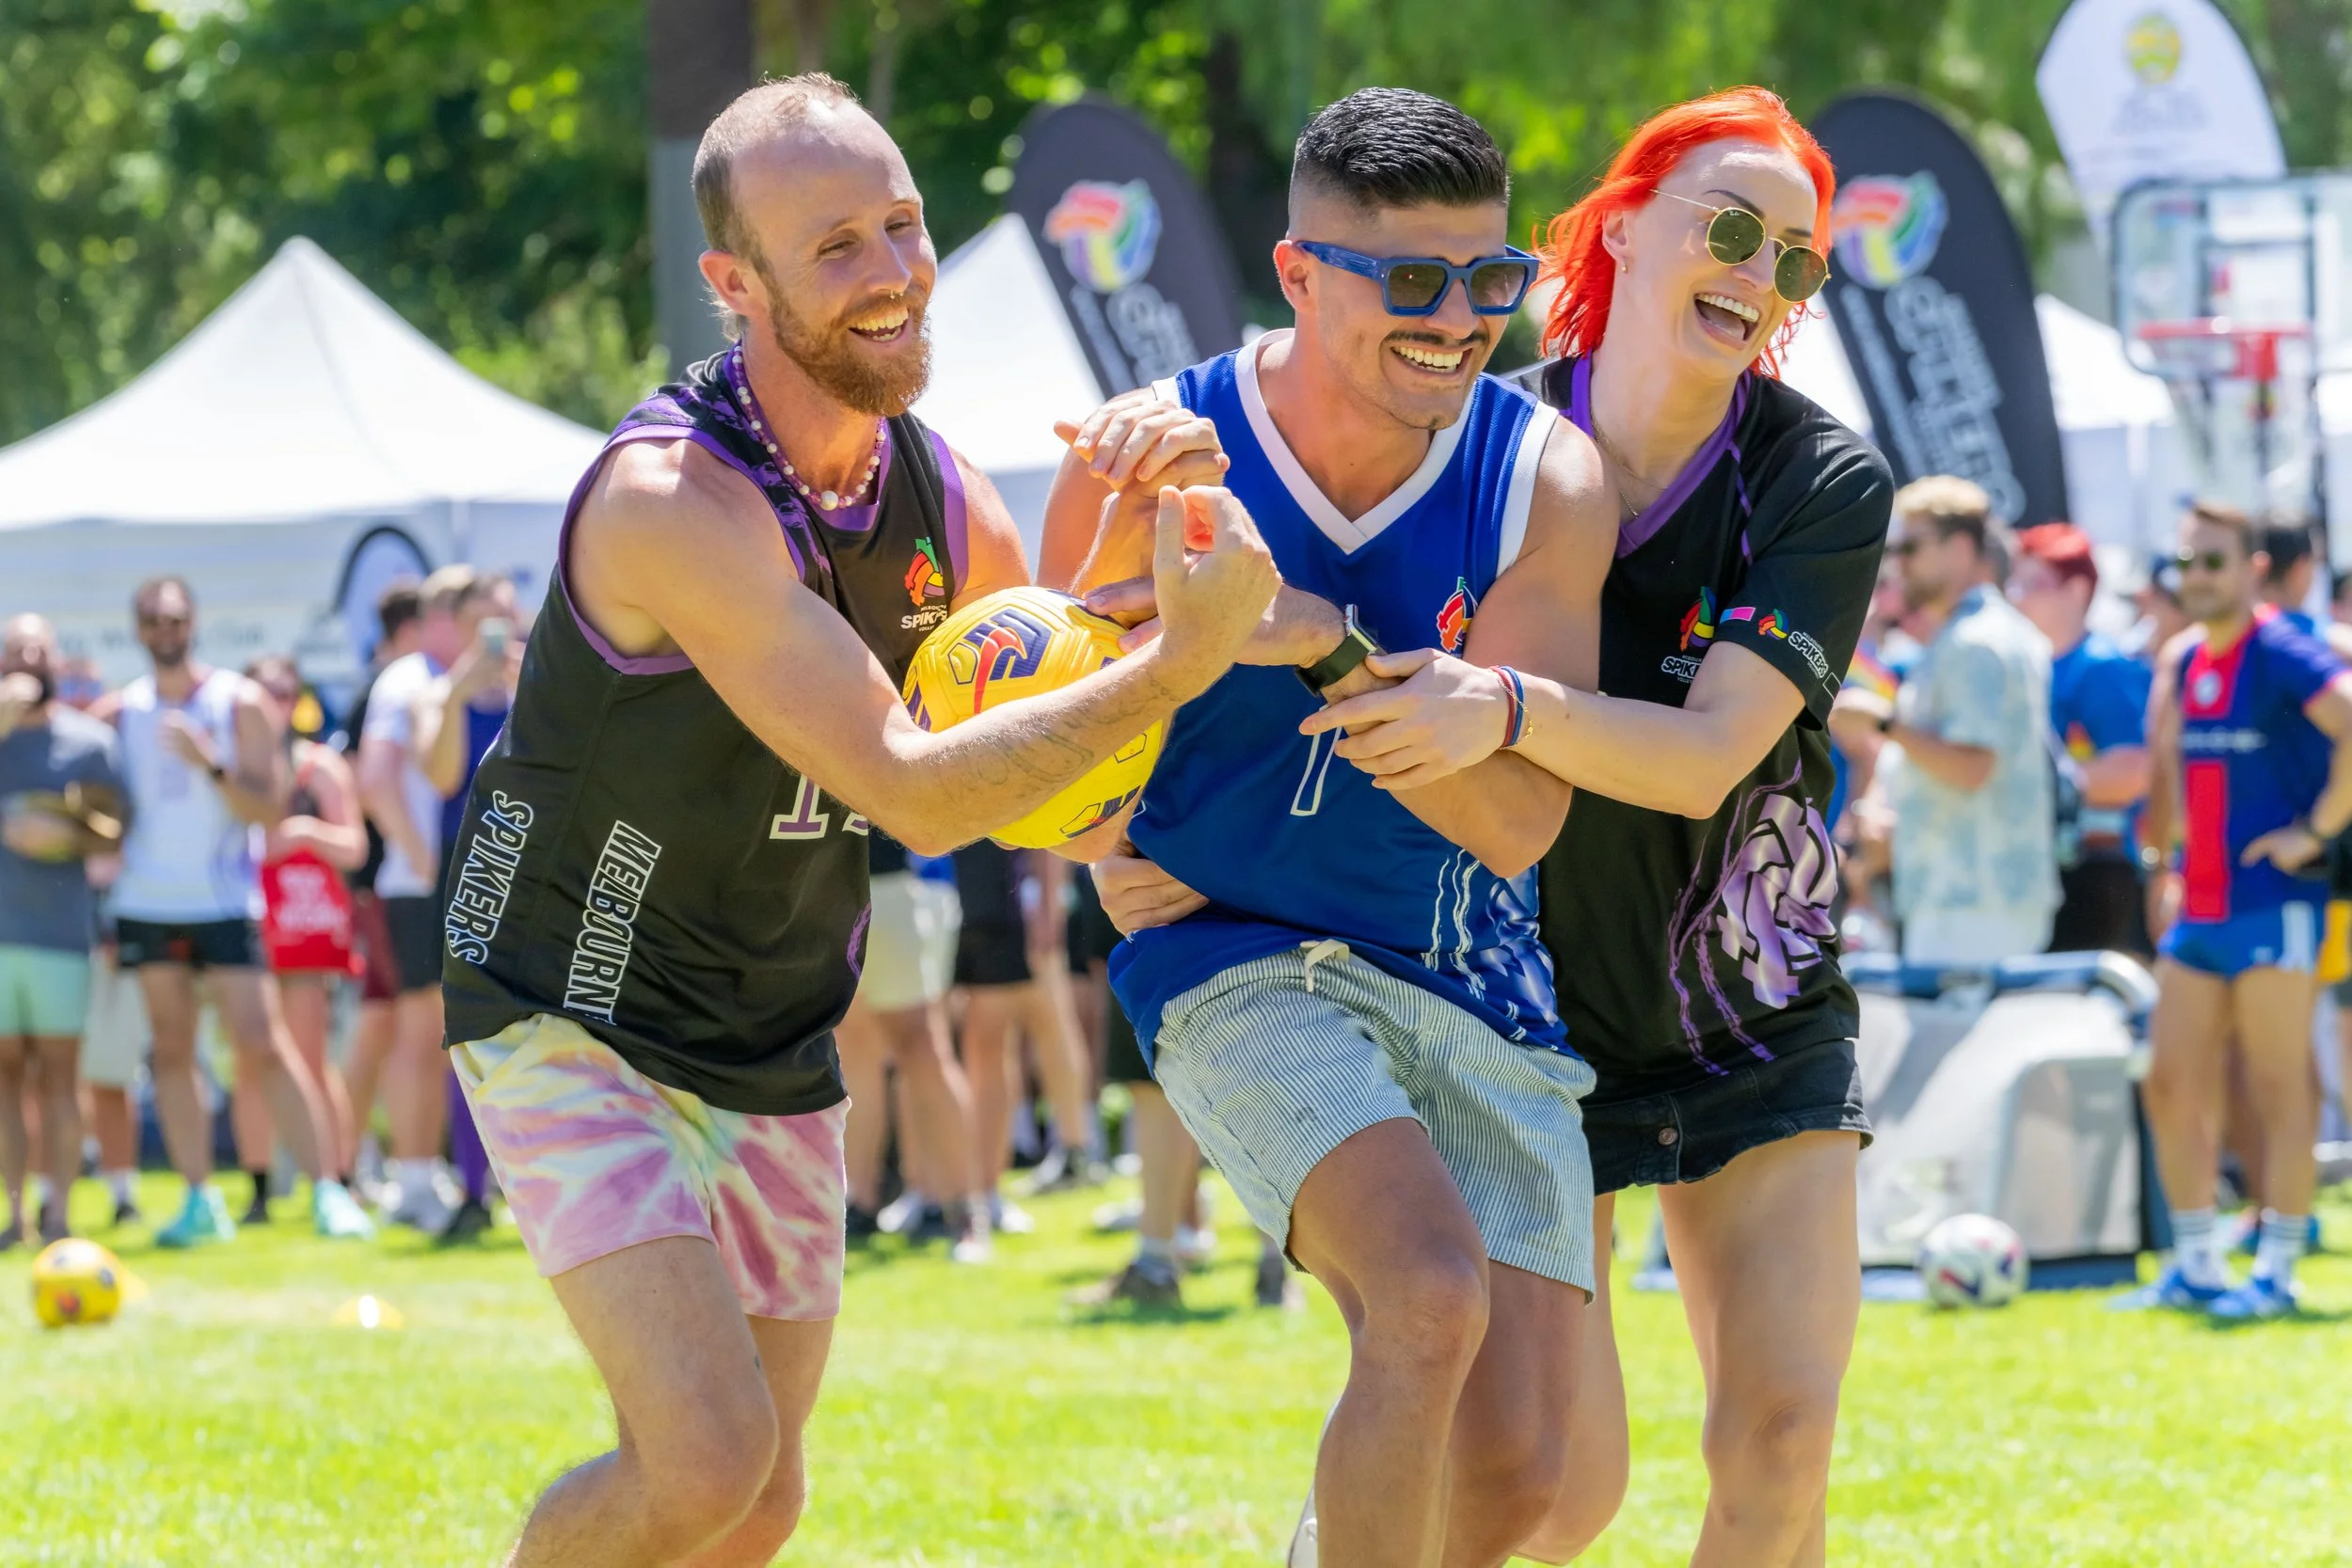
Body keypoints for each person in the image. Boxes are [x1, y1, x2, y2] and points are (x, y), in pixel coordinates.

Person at [434, 73, 1273, 1568]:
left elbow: (1048, 791)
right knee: (703, 1462)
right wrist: (1176, 656)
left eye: (903, 224)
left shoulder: (951, 506)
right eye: (835, 247)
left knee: (764, 1500)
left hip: (771, 1017)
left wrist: (1148, 577)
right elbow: (913, 786)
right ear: (730, 283)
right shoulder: (671, 499)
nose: (891, 271)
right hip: (571, 997)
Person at [1146, 87, 1893, 1566]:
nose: (1759, 274)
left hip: (1748, 1001)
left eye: (1795, 260)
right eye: (1731, 229)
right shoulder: (1482, 423)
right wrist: (1145, 835)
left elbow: (1703, 759)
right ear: (1621, 222)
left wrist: (1500, 706)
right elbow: (1291, 559)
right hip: (1523, 1002)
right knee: (1551, 1489)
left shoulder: (1819, 478)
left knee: (1783, 1434)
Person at [1065, 87, 1616, 1568]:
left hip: (1466, 968)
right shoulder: (1150, 456)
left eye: (1493, 281)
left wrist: (1312, 639)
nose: (1460, 320)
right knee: (1428, 1294)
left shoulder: (1544, 478)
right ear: (1299, 272)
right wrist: (1138, 646)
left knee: (1519, 1483)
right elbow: (1051, 790)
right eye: (1414, 282)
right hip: (1231, 949)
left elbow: (1515, 821)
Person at [2119, 502, 2352, 1320]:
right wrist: (2164, 863)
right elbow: (2174, 774)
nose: (2197, 577)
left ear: (2253, 569)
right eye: (2186, 563)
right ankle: (2196, 1263)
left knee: (2282, 1086)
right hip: (2202, 904)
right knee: (2170, 1080)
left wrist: (2313, 833)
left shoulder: (2285, 648)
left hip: (2275, 902)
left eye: (2214, 561)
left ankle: (2279, 1273)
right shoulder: (2183, 658)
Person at [94, 578, 372, 1245]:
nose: (166, 628)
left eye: (176, 617)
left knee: (264, 1043)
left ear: (194, 622)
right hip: (146, 903)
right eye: (154, 619)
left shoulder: (238, 703)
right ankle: (198, 1199)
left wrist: (210, 762)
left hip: (223, 901)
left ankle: (328, 1189)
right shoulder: (118, 712)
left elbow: (270, 810)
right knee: (171, 1049)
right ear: (137, 628)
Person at [1834, 477, 2057, 965]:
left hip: (1976, 904)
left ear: (1959, 549)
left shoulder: (1976, 642)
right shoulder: (1970, 634)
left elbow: (1972, 767)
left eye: (1909, 547)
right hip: (1968, 899)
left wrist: (1884, 723)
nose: (1898, 564)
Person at [356, 565, 478, 1229]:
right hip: (415, 884)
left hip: (421, 880)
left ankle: (418, 1173)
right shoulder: (408, 679)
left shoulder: (426, 679)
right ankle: (411, 1180)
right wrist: (424, 857)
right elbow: (373, 778)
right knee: (417, 1033)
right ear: (438, 620)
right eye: (467, 621)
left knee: (426, 1034)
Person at [0, 615, 126, 1246]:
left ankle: (59, 1214)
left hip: (57, 935)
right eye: (14, 651)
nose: (26, 660)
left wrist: (64, 834)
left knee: (59, 1075)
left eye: (37, 650)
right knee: (4, 1079)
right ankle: (13, 1214)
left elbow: (116, 828)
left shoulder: (87, 743)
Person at [421, 573, 524, 1243]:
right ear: (458, 628)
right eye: (484, 623)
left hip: (535, 865)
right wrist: (459, 693)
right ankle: (472, 1187)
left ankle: (533, 1184)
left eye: (507, 621)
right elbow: (442, 775)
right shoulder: (438, 693)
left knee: (538, 1032)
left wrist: (524, 690)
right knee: (467, 1034)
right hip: (468, 869)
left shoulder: (542, 684)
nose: (497, 636)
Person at [246, 655, 368, 1215]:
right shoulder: (232, 767)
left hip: (305, 929)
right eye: (263, 690)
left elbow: (354, 847)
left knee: (310, 1058)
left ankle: (338, 1179)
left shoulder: (320, 768)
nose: (275, 702)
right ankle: (259, 1189)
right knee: (251, 1058)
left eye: (284, 691)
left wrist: (302, 833)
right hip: (248, 927)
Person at [834, 832, 985, 1255]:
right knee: (852, 1051)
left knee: (922, 1048)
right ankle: (857, 1204)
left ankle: (966, 1212)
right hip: (827, 887)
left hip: (889, 885)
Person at [2010, 522, 2153, 955]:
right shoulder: (2028, 665)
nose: (2018, 595)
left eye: (2033, 583)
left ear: (2076, 591)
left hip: (2099, 873)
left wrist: (2031, 784)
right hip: (2045, 867)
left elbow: (2135, 771)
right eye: (2014, 582)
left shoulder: (2102, 666)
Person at [950, 841, 1103, 1233]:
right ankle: (995, 1181)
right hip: (971, 895)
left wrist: (1050, 905)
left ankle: (1074, 1148)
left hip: (1017, 900)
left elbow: (1042, 825)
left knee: (1040, 1022)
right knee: (991, 1039)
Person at [339, 582, 423, 1196]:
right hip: (380, 888)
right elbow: (358, 782)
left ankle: (351, 1162)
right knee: (386, 1024)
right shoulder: (388, 687)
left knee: (384, 1023)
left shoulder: (391, 683)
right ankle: (353, 1163)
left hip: (381, 885)